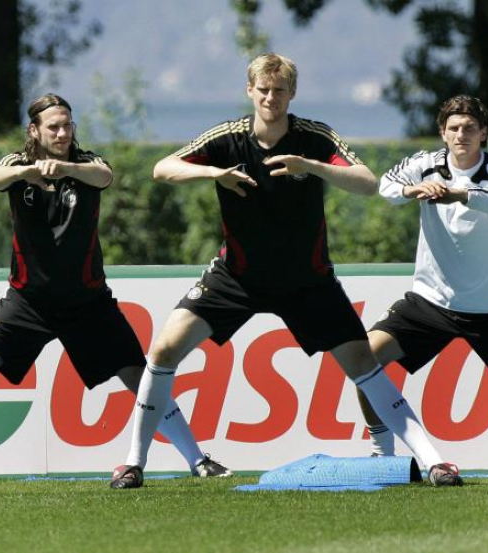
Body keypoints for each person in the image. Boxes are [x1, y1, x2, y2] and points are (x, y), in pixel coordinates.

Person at [111, 53, 461, 489]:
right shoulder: (227, 137)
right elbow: (162, 169)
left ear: (292, 93)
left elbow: (368, 182)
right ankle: (134, 463)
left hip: (307, 281)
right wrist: (215, 174)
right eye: (263, 90)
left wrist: (309, 166)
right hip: (236, 277)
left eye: (279, 90)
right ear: (250, 90)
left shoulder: (314, 137)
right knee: (164, 350)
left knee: (363, 363)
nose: (270, 98)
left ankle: (435, 463)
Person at [0, 93, 230, 482]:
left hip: (88, 303)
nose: (62, 133)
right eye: (53, 127)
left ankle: (198, 460)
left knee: (140, 377)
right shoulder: (17, 164)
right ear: (34, 130)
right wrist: (27, 173)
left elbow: (104, 176)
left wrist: (65, 169)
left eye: (67, 125)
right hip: (27, 301)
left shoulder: (88, 163)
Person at [357, 95, 488, 469]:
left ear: (483, 133)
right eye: (454, 128)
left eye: (470, 128)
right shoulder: (424, 164)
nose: (462, 134)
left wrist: (460, 194)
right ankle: (382, 452)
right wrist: (412, 190)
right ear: (443, 132)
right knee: (363, 359)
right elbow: (387, 186)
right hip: (430, 303)